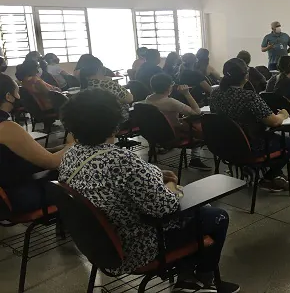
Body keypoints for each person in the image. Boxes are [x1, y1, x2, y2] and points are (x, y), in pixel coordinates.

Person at [57, 88, 239, 292]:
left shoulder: (70, 155)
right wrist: (171, 186)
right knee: (215, 216)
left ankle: (189, 276)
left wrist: (153, 176)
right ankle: (199, 280)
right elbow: (165, 208)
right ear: (115, 123)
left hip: (99, 245)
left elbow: (109, 184)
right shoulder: (122, 161)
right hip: (136, 247)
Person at [210, 58, 290, 192]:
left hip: (222, 143)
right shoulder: (249, 96)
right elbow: (273, 121)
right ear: (246, 76)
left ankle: (261, 172)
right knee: (288, 143)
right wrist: (283, 115)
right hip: (249, 145)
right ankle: (268, 177)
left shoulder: (215, 93)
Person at [0, 73, 73, 213]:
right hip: (21, 197)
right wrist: (71, 145)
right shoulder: (6, 127)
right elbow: (52, 162)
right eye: (17, 91)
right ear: (9, 96)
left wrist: (59, 148)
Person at [146, 73, 211, 171]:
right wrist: (187, 93)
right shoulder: (170, 102)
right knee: (199, 124)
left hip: (156, 134)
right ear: (169, 87)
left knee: (186, 121)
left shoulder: (148, 99)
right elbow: (197, 112)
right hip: (173, 135)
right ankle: (195, 158)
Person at [79, 55, 133, 122]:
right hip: (116, 122)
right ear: (99, 69)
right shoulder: (108, 84)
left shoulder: (84, 86)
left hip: (94, 123)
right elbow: (129, 99)